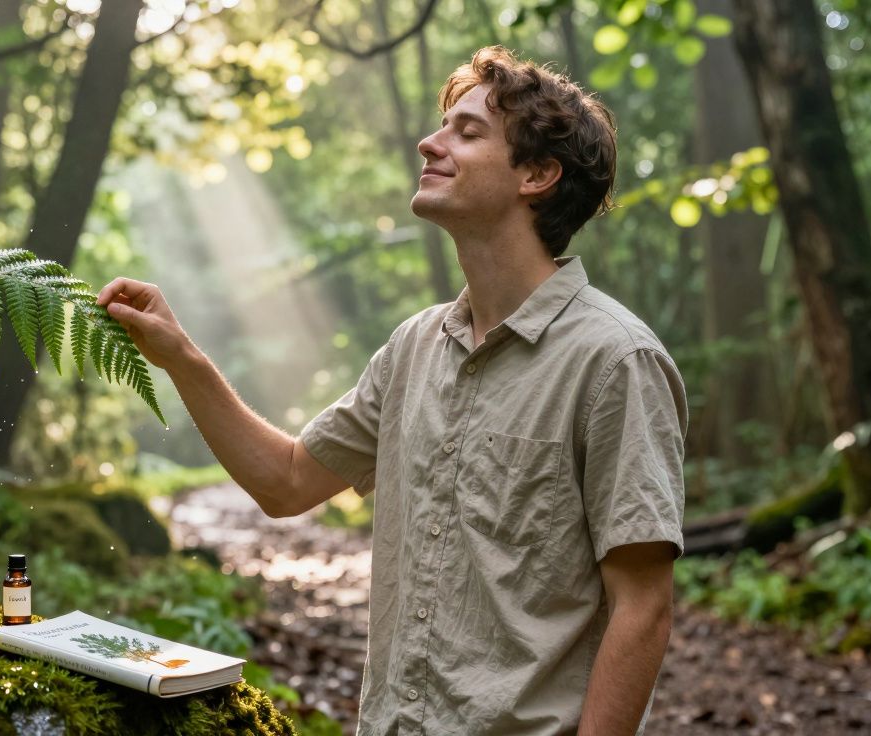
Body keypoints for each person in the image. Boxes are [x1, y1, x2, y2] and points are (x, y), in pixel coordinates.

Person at [98, 45, 686, 736]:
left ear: (538, 173)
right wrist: (181, 357)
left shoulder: (616, 361)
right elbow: (285, 482)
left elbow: (643, 608)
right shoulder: (414, 346)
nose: (429, 143)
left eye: (467, 133)